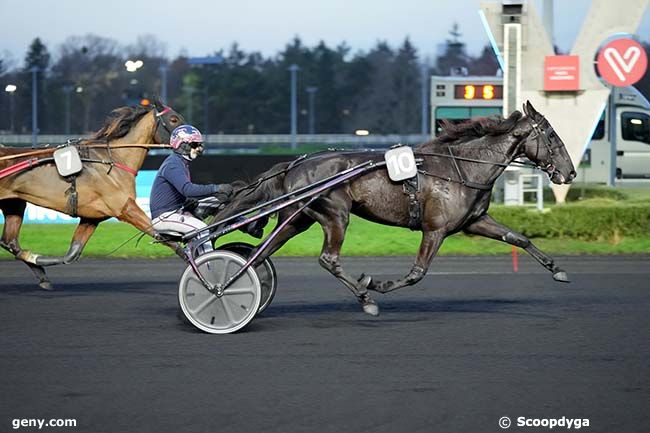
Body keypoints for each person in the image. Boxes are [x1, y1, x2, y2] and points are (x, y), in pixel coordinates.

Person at [150, 124, 233, 254]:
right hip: (164, 217)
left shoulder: (180, 162)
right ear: (181, 145)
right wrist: (217, 188)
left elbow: (182, 193)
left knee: (219, 201)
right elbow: (188, 189)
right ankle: (207, 265)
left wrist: (187, 201)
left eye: (199, 144)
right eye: (194, 145)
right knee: (201, 228)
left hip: (176, 211)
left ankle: (247, 224)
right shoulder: (173, 165)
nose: (198, 148)